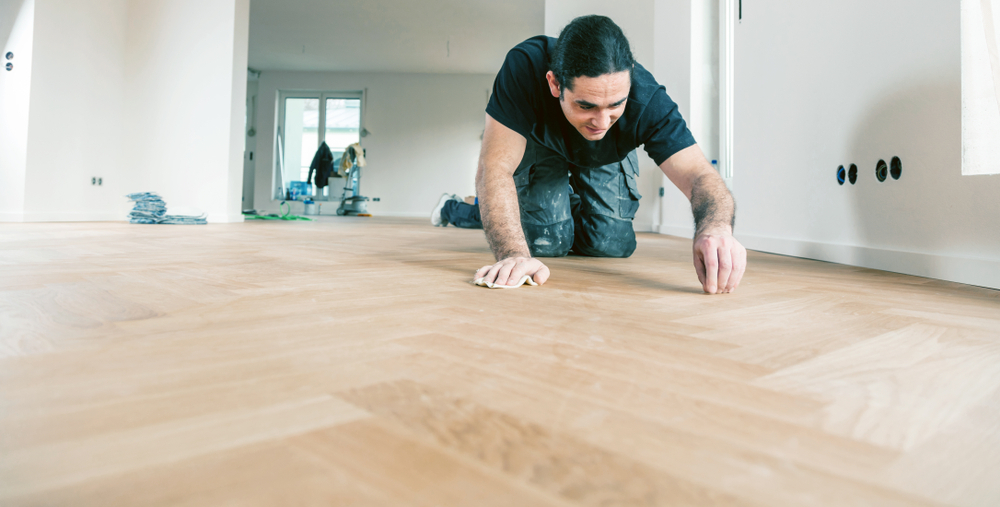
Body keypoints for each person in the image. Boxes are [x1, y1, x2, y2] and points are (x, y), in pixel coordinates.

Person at [473, 15, 746, 294]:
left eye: (616, 105)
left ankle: (552, 208)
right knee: (546, 243)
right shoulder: (524, 67)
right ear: (555, 84)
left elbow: (699, 173)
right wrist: (513, 253)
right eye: (586, 106)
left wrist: (716, 227)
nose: (602, 122)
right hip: (542, 147)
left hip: (605, 155)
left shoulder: (648, 99)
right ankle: (466, 210)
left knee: (610, 244)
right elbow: (495, 166)